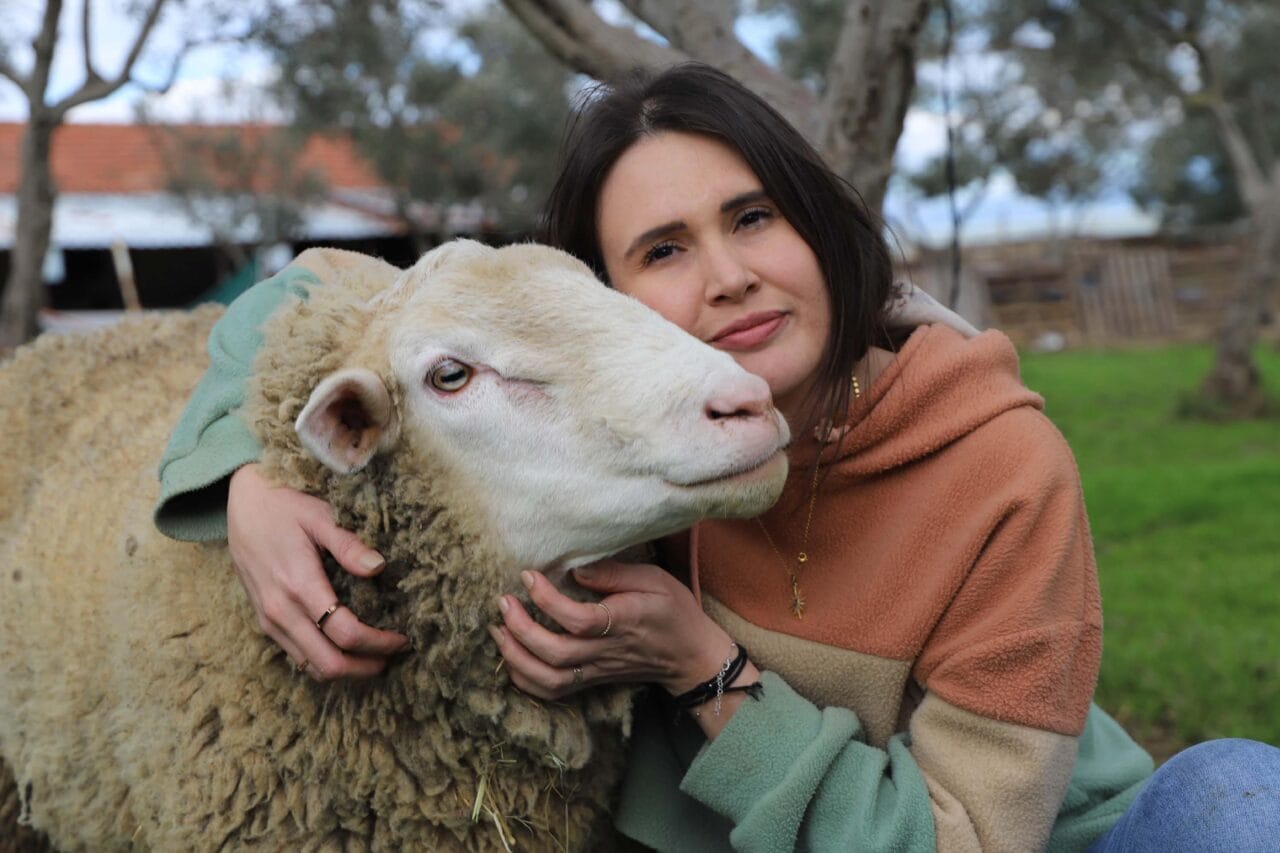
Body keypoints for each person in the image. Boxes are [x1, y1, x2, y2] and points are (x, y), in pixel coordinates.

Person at [154, 64, 1280, 851]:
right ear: (594, 303)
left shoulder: (1003, 466)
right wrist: (242, 482)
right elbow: (305, 297)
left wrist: (703, 668)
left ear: (817, 225)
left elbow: (972, 840)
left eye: (752, 218)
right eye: (661, 249)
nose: (727, 275)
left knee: (1237, 797)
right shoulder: (616, 437)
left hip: (1030, 840)